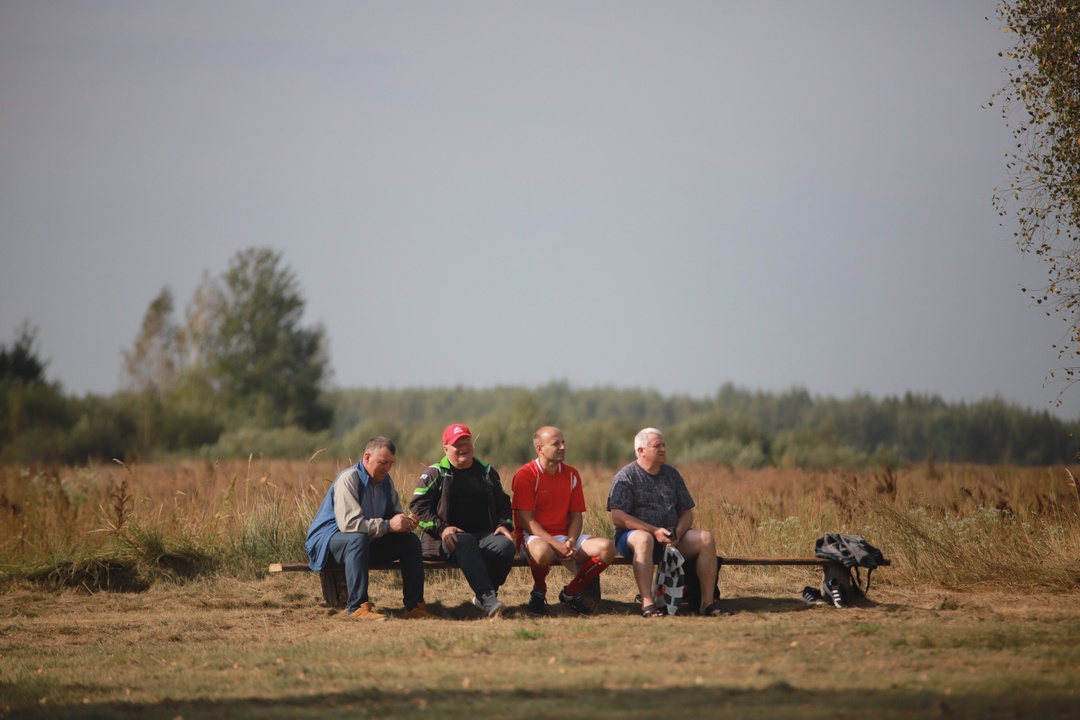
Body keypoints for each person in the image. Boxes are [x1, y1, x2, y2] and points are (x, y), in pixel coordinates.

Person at [305, 436, 433, 620]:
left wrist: (405, 523)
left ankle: (414, 607)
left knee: (410, 541)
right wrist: (390, 525)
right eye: (383, 462)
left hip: (364, 543)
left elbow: (393, 517)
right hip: (328, 544)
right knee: (357, 538)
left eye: (390, 463)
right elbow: (350, 524)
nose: (387, 468)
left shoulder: (386, 482)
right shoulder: (349, 479)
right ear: (366, 458)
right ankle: (357, 607)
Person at [607, 427, 723, 618]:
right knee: (644, 540)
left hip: (671, 537)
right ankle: (648, 604)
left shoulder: (672, 475)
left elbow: (686, 512)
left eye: (664, 445)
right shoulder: (626, 476)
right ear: (641, 451)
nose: (663, 449)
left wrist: (677, 533)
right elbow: (618, 517)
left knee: (706, 538)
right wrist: (654, 531)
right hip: (632, 538)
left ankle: (707, 604)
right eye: (657, 446)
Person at [411, 423, 517, 618]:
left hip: (485, 534)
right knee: (464, 540)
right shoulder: (435, 473)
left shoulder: (486, 471)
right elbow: (418, 508)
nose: (463, 448)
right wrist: (443, 529)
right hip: (446, 538)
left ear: (473, 445)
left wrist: (504, 525)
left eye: (466, 442)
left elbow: (504, 501)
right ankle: (488, 598)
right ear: (445, 449)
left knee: (506, 546)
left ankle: (485, 594)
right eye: (456, 444)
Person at [511, 426, 616, 616]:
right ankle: (539, 591)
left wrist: (571, 542)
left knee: (607, 548)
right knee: (543, 552)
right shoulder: (526, 475)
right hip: (532, 537)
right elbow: (527, 522)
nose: (562, 447)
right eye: (555, 443)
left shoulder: (571, 474)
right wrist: (556, 546)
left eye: (563, 442)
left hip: (564, 538)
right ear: (540, 449)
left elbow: (576, 515)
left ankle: (570, 593)